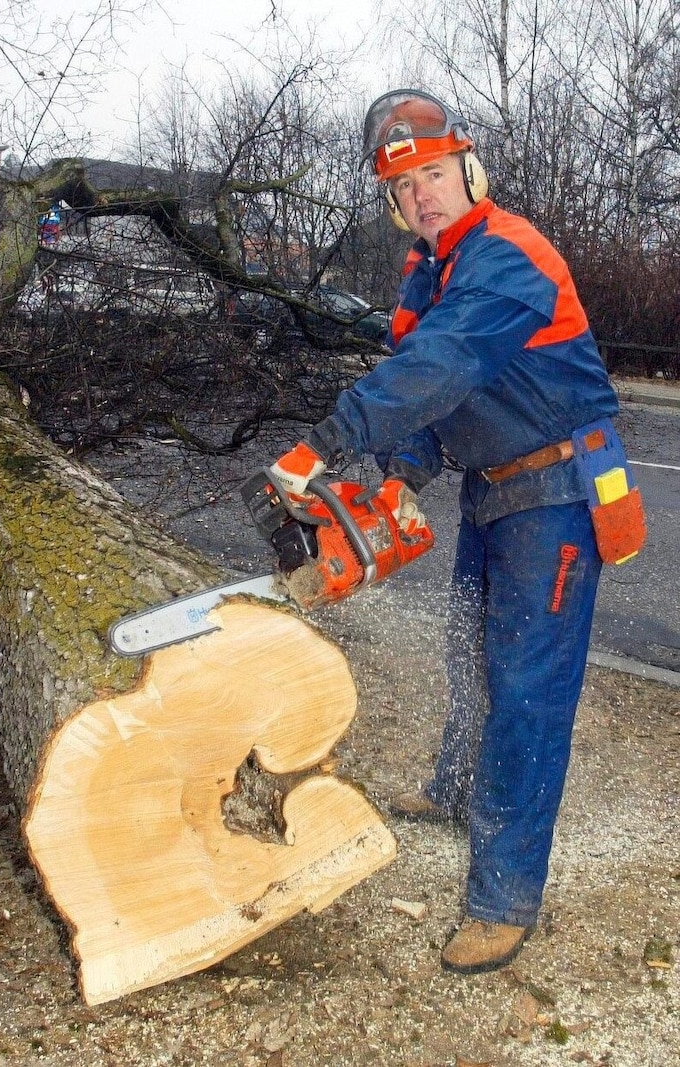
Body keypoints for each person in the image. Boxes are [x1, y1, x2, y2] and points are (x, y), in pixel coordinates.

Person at [265, 88, 646, 974]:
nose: (424, 195)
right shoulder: (426, 274)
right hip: (494, 488)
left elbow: (450, 362)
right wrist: (398, 477)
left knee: (525, 688)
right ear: (393, 201)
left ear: (467, 169)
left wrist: (325, 443)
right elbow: (431, 396)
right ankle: (456, 788)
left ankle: (503, 897)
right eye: (407, 187)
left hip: (557, 487)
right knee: (469, 653)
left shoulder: (509, 255)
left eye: (435, 174)